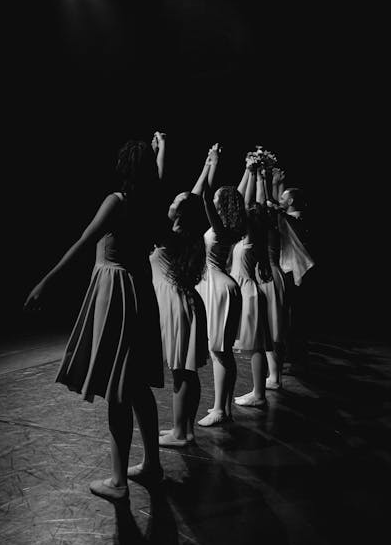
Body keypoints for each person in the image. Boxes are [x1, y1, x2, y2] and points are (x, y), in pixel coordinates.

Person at [24, 133, 167, 502]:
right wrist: (160, 152)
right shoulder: (151, 202)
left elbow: (83, 242)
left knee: (120, 389)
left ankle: (119, 482)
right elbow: (157, 179)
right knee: (135, 385)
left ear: (122, 168)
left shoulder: (117, 201)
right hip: (139, 291)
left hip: (115, 292)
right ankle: (152, 464)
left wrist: (45, 282)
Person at [148, 188, 208, 448]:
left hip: (175, 303)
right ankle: (184, 430)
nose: (169, 202)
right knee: (186, 371)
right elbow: (191, 199)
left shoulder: (171, 237)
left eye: (175, 201)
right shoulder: (188, 235)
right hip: (184, 301)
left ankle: (181, 433)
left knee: (181, 371)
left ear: (181, 213)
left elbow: (152, 196)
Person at [192, 144, 244, 426]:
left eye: (217, 199)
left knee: (219, 351)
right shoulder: (228, 228)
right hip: (218, 283)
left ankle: (221, 410)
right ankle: (223, 409)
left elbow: (203, 197)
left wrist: (212, 163)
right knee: (220, 351)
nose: (213, 201)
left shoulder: (222, 229)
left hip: (218, 285)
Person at [230, 157, 273, 408]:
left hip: (248, 293)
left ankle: (259, 393)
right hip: (244, 290)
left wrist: (253, 174)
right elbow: (245, 202)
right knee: (255, 345)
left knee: (256, 345)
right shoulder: (248, 234)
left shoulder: (250, 235)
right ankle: (258, 391)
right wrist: (252, 172)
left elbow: (242, 201)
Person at [255, 165, 287, 389]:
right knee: (273, 325)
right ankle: (274, 375)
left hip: (269, 276)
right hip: (274, 274)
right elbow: (266, 205)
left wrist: (260, 178)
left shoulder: (270, 225)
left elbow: (260, 206)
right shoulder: (277, 221)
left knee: (271, 326)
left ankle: (274, 376)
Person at [277, 184, 314, 372]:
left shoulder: (297, 219)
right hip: (291, 270)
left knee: (294, 316)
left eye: (283, 198)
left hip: (295, 272)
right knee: (291, 314)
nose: (280, 201)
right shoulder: (290, 218)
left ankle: (296, 358)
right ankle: (293, 356)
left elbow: (284, 216)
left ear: (290, 201)